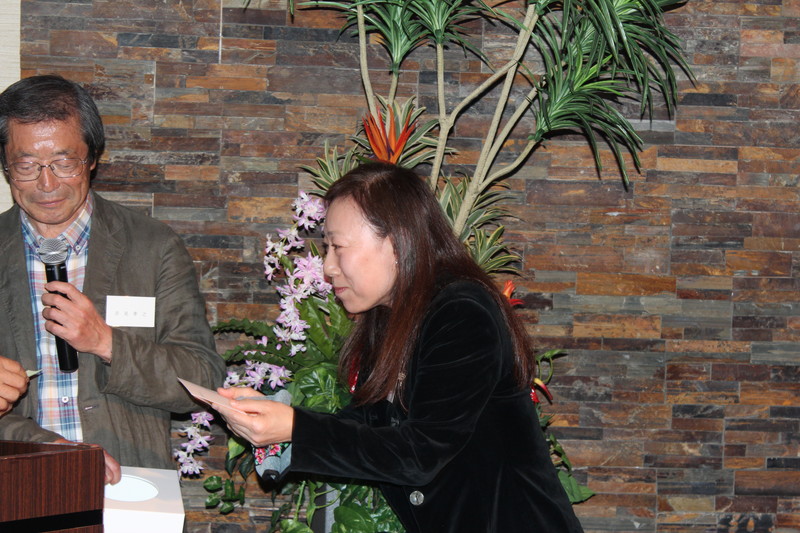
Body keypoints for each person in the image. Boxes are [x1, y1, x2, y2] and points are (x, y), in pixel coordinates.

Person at [214, 162, 584, 532]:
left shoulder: (462, 312)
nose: (328, 267)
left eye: (337, 247)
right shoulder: (390, 317)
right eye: (327, 249)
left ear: (395, 243)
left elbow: (419, 452)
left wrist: (295, 428)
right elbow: (368, 425)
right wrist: (273, 419)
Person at [0, 75, 226, 484]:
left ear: (92, 157)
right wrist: (43, 447)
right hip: (17, 487)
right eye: (27, 165)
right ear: (6, 166)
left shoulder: (153, 247)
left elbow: (203, 379)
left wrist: (106, 342)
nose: (47, 184)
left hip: (129, 486)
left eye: (64, 163)